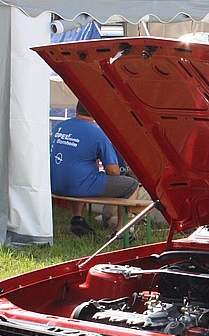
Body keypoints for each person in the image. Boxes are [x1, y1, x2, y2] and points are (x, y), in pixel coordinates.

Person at [50, 101, 141, 236]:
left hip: (54, 184)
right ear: (96, 112)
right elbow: (113, 171)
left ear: (76, 109)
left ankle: (77, 218)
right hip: (77, 186)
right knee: (131, 185)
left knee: (82, 172)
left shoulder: (60, 127)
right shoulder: (98, 134)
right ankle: (122, 231)